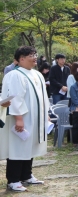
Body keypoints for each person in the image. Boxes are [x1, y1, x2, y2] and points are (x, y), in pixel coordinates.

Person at [0, 46, 50, 192]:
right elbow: (16, 99)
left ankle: (26, 175)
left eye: (35, 54)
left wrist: (45, 113)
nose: (35, 57)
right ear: (21, 58)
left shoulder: (37, 74)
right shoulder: (15, 75)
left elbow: (43, 97)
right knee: (18, 147)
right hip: (22, 118)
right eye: (31, 55)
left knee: (30, 146)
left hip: (36, 117)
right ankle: (13, 180)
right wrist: (19, 119)